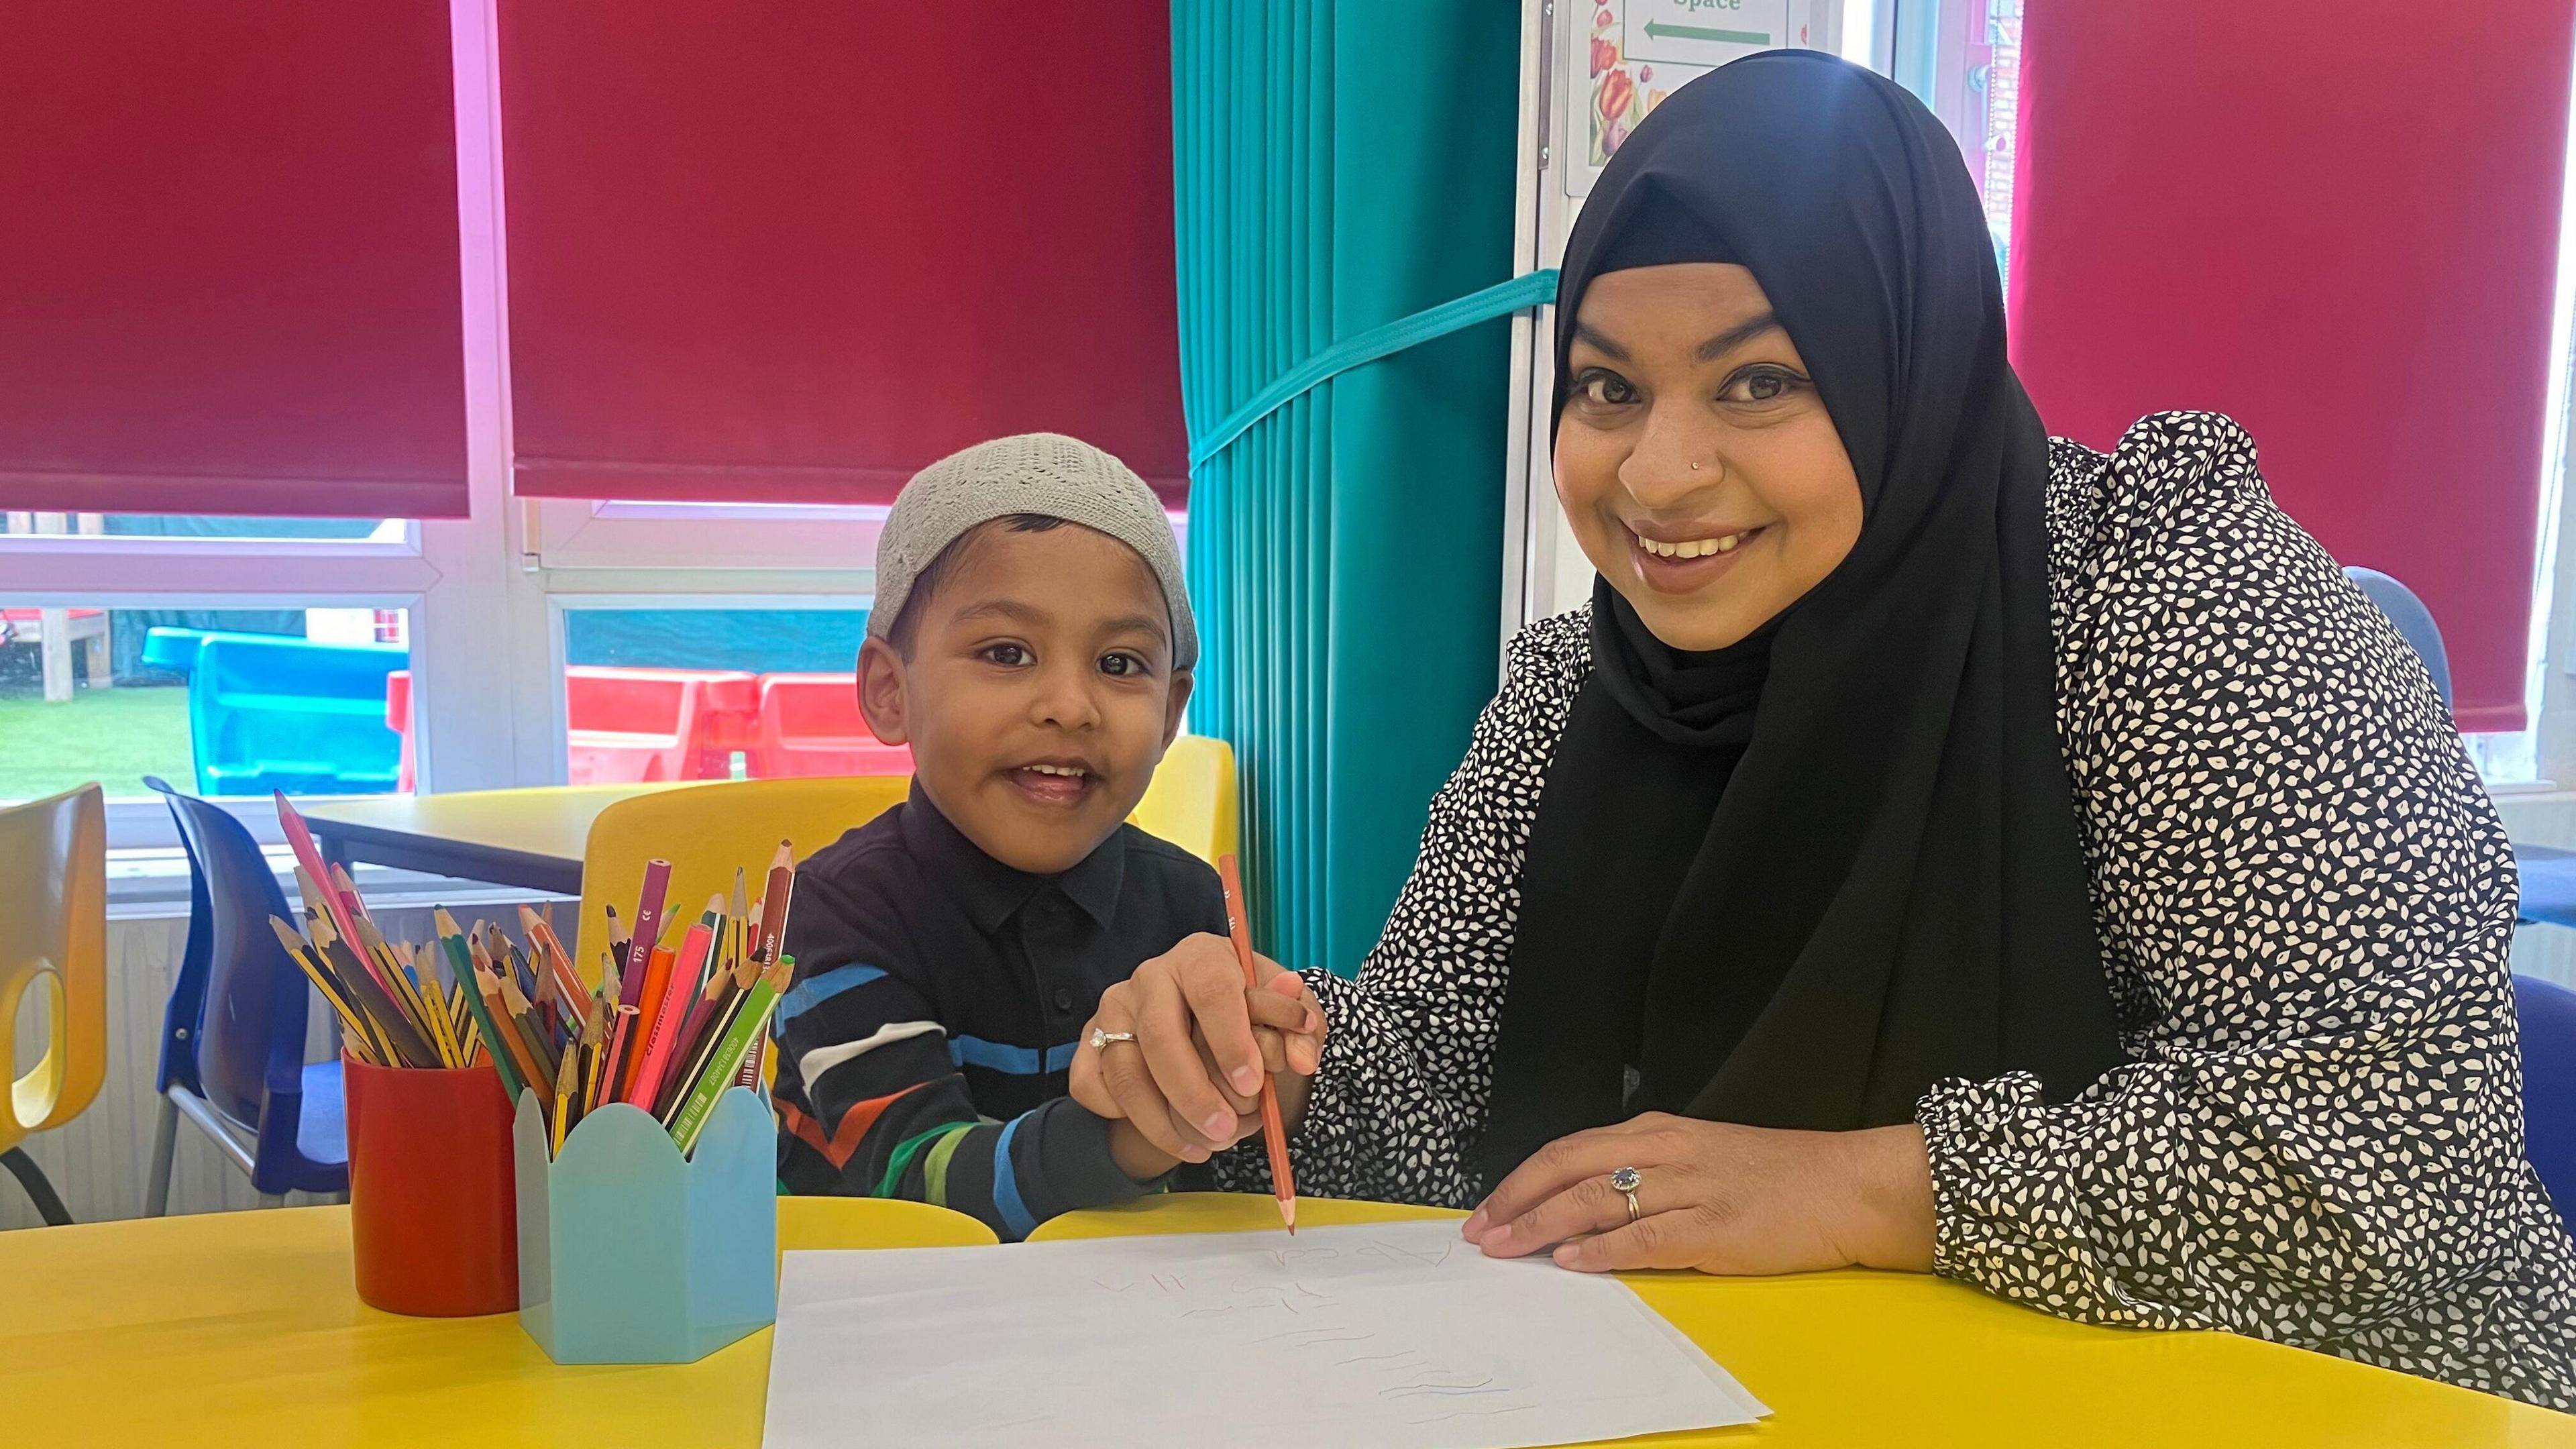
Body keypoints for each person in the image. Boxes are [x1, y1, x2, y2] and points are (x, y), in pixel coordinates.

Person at [1070, 54, 2576, 1405]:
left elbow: (2389, 1148)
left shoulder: (2165, 599)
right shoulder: (1570, 698)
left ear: (1901, 364)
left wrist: (1868, 1190)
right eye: (1607, 388)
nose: (1658, 475)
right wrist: (1248, 1072)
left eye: (1761, 381)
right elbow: (1456, 1117)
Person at [773, 433, 1275, 1240]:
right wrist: (1135, 1136)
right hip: (873, 1330)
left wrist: (1264, 1083)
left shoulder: (1189, 900)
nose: (1071, 707)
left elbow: (1213, 1182)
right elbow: (921, 1187)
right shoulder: (840, 911)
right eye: (1007, 653)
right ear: (889, 691)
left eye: (1119, 665)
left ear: (1173, 712)